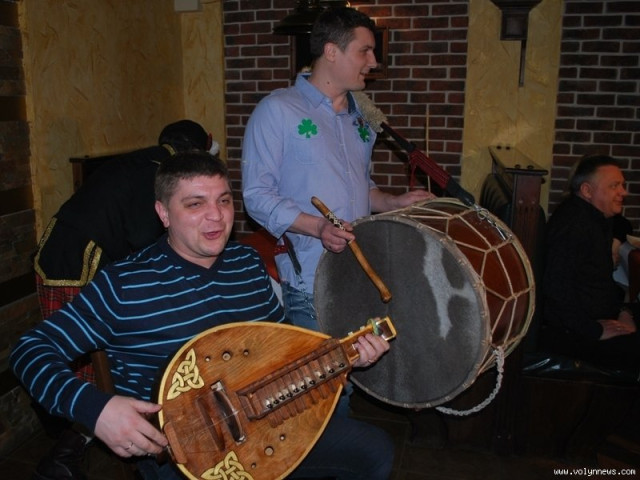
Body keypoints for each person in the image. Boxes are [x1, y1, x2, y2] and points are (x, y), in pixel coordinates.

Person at [11, 152, 394, 480]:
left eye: (223, 201)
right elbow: (30, 350)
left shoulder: (247, 264)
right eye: (195, 204)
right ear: (163, 213)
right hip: (186, 450)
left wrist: (347, 356)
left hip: (269, 422)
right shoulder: (124, 284)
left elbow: (284, 349)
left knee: (374, 450)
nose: (216, 217)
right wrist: (96, 409)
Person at [30, 119, 213, 480]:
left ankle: (67, 450)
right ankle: (64, 454)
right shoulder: (161, 172)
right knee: (92, 369)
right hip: (79, 262)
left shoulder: (143, 159)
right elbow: (146, 237)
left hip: (59, 251)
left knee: (92, 365)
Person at [242, 6, 434, 332]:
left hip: (359, 277)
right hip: (310, 283)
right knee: (325, 368)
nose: (373, 62)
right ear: (331, 51)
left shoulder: (361, 118)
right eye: (364, 51)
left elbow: (360, 185)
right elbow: (256, 196)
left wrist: (393, 201)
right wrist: (318, 227)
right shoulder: (277, 110)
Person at [541, 154, 640, 372]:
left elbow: (599, 286)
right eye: (614, 186)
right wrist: (596, 330)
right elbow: (554, 290)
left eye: (622, 185)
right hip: (574, 334)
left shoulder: (593, 218)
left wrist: (624, 312)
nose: (623, 192)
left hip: (596, 319)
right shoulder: (573, 226)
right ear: (587, 191)